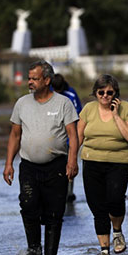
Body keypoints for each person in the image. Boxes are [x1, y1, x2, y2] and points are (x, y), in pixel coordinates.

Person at [3, 60, 79, 255]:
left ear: (47, 80)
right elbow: (15, 135)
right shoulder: (22, 103)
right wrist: (8, 163)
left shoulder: (63, 103)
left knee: (55, 213)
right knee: (28, 206)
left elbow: (73, 135)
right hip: (28, 166)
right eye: (29, 78)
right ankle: (34, 249)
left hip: (56, 166)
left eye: (34, 79)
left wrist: (72, 161)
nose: (30, 82)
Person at [78, 74, 128, 255]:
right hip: (91, 161)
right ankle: (104, 250)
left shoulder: (126, 108)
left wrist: (115, 114)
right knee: (97, 205)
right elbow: (78, 136)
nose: (105, 96)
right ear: (95, 92)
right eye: (101, 92)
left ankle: (117, 231)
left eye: (110, 92)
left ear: (116, 93)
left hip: (119, 161)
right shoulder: (88, 109)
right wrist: (70, 159)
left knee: (115, 199)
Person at [52, 74, 83, 202]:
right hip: (54, 136)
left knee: (70, 162)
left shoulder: (70, 93)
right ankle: (57, 190)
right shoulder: (49, 93)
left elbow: (78, 111)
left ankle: (69, 191)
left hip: (69, 136)